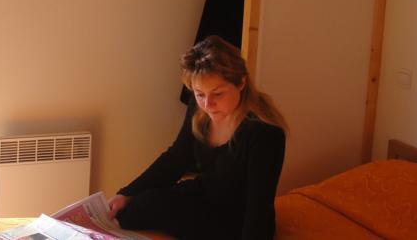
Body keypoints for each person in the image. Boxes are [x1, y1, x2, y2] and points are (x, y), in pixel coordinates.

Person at [108, 36, 287, 239]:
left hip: (236, 216)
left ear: (241, 83)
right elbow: (176, 158)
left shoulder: (265, 134)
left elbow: (258, 208)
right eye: (200, 94)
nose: (208, 104)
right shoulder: (199, 109)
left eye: (218, 94)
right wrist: (127, 193)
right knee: (130, 211)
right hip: (205, 195)